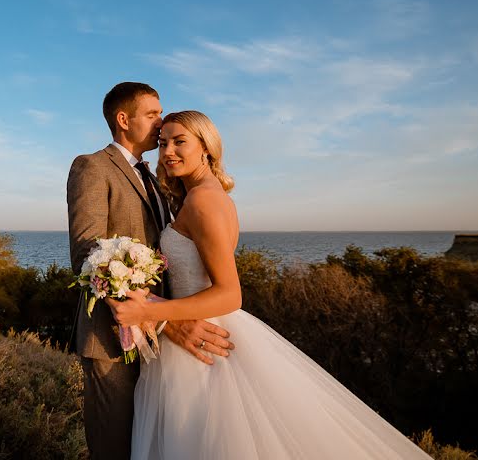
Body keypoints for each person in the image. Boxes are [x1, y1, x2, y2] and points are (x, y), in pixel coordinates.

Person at [107, 111, 432, 460]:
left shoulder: (203, 201)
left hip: (200, 337)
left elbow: (230, 293)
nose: (168, 151)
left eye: (180, 141)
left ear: (207, 148)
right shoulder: (200, 195)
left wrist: (152, 311)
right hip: (194, 328)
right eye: (163, 142)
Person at [67, 84, 235, 460]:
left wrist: (161, 318)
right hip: (112, 339)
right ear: (123, 120)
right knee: (116, 448)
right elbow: (88, 256)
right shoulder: (92, 167)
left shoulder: (159, 181)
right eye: (153, 114)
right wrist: (162, 321)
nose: (161, 123)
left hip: (163, 341)